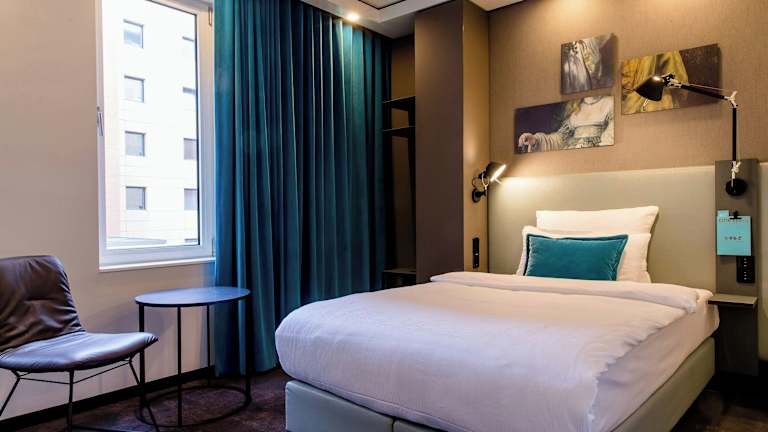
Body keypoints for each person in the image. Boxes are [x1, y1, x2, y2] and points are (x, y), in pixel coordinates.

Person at [518, 96, 613, 153]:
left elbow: (610, 140)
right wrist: (535, 140)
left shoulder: (610, 102)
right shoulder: (574, 106)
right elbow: (560, 139)